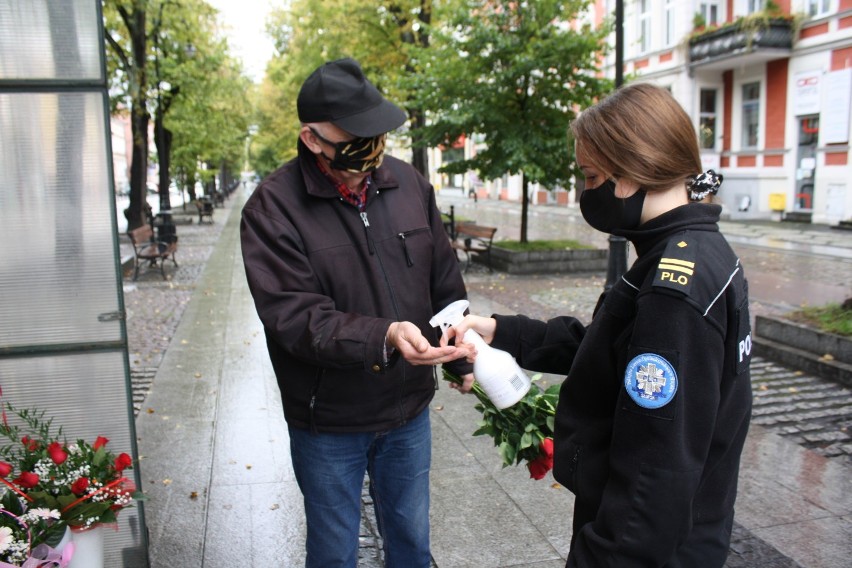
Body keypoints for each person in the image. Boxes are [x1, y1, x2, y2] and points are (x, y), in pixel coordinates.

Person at [443, 83, 753, 567]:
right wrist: (501, 331)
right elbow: (610, 347)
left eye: (590, 176)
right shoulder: (693, 252)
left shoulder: (672, 291)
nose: (588, 192)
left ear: (629, 173)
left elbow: (654, 473)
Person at [240, 57, 474, 568]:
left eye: (375, 129)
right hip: (328, 417)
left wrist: (458, 354)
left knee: (412, 541)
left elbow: (443, 282)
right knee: (334, 551)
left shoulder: (410, 184)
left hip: (408, 410)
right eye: (354, 134)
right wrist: (383, 335)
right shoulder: (272, 207)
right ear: (312, 138)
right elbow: (293, 317)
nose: (370, 144)